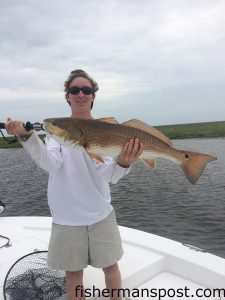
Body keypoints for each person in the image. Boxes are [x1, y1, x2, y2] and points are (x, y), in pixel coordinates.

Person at [5, 69, 144, 300]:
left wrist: (123, 162)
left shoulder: (106, 131)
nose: (80, 94)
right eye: (74, 90)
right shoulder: (56, 134)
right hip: (67, 219)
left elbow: (110, 175)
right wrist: (28, 137)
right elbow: (50, 164)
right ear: (67, 96)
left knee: (110, 267)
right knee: (73, 275)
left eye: (86, 90)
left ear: (93, 96)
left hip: (100, 214)